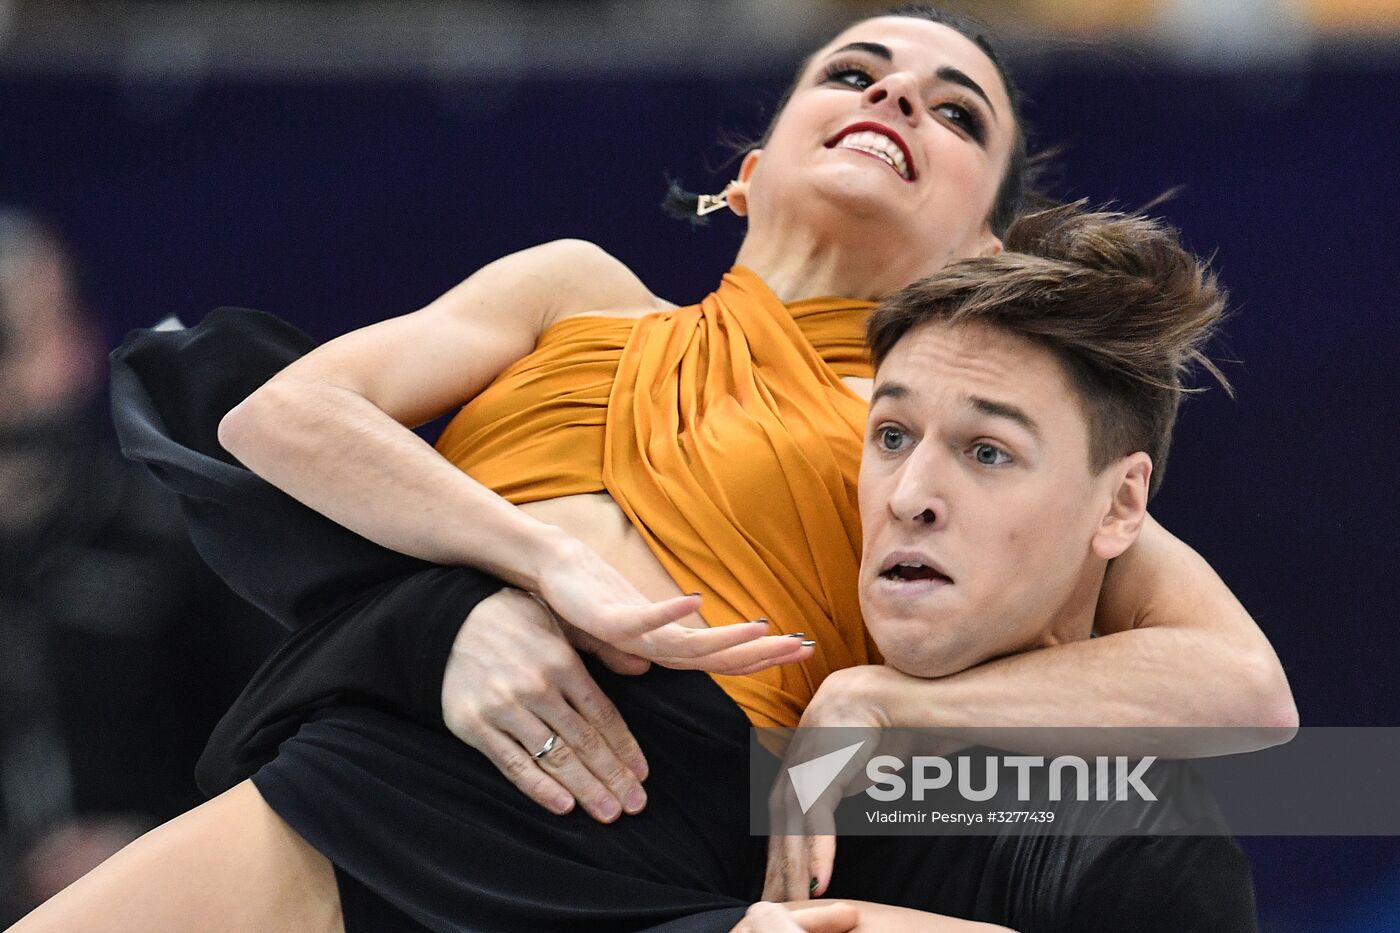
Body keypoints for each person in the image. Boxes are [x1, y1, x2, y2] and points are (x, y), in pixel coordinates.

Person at [12, 6, 1292, 932]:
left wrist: (891, 710)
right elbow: (282, 421)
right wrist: (518, 571)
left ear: (982, 241)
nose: (895, 96)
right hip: (378, 780)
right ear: (746, 174)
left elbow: (1239, 687)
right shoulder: (573, 294)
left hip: (654, 846)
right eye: (853, 69)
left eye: (956, 111)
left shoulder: (942, 428)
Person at [0, 210, 279, 923]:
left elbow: (283, 762)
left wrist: (151, 845)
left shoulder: (177, 539)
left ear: (79, 344)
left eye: (12, 340)